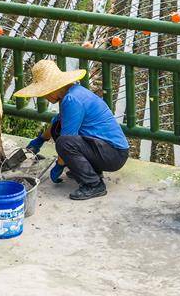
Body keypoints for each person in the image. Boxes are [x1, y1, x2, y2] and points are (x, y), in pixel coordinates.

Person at [14, 59, 129, 201]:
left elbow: (67, 140)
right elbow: (59, 122)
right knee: (57, 127)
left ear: (53, 88)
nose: (44, 97)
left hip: (113, 154)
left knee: (64, 143)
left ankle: (94, 184)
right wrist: (40, 140)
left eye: (44, 92)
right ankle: (88, 171)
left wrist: (59, 165)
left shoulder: (72, 100)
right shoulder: (71, 93)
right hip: (105, 149)